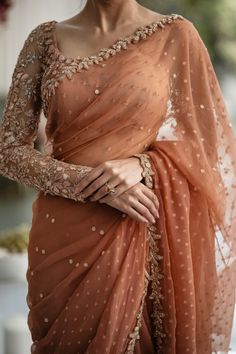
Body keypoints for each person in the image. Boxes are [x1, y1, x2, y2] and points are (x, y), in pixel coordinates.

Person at [0, 0, 235, 353]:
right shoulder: (44, 40)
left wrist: (145, 165)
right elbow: (8, 152)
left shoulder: (175, 35)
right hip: (62, 237)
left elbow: (209, 145)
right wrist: (89, 185)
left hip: (140, 226)